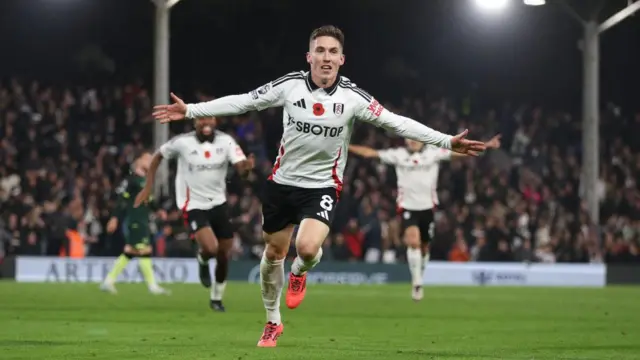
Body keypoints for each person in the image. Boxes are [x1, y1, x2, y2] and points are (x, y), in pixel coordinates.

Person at [152, 25, 487, 347]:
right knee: (272, 254)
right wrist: (192, 110)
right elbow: (245, 101)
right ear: (308, 56)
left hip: (322, 186)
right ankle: (272, 321)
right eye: (320, 51)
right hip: (282, 184)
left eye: (333, 52)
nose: (326, 57)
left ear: (342, 59)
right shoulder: (290, 86)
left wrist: (445, 141)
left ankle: (300, 271)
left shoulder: (353, 98)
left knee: (308, 248)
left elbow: (396, 123)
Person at [349, 135, 501, 300]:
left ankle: (419, 275)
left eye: (415, 139)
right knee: (413, 241)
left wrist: (486, 145)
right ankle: (417, 282)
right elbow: (369, 153)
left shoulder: (434, 153)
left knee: (424, 247)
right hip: (407, 207)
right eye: (409, 139)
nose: (412, 142)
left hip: (427, 207)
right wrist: (347, 145)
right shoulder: (398, 154)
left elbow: (459, 152)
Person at [135, 117, 254, 312]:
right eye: (201, 119)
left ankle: (216, 298)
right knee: (211, 247)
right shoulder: (182, 143)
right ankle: (203, 259)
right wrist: (149, 187)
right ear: (194, 123)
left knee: (224, 254)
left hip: (218, 203)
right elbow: (157, 156)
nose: (206, 123)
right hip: (193, 204)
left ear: (215, 121)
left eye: (209, 119)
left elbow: (241, 168)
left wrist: (246, 169)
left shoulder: (227, 141)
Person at [100, 152, 170, 295]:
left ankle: (109, 281)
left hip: (142, 219)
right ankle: (152, 286)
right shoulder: (131, 180)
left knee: (130, 252)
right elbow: (121, 200)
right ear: (139, 162)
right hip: (135, 220)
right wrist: (115, 218)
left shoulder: (144, 180)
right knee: (144, 250)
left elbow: (148, 200)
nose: (151, 162)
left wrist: (158, 210)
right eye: (148, 159)